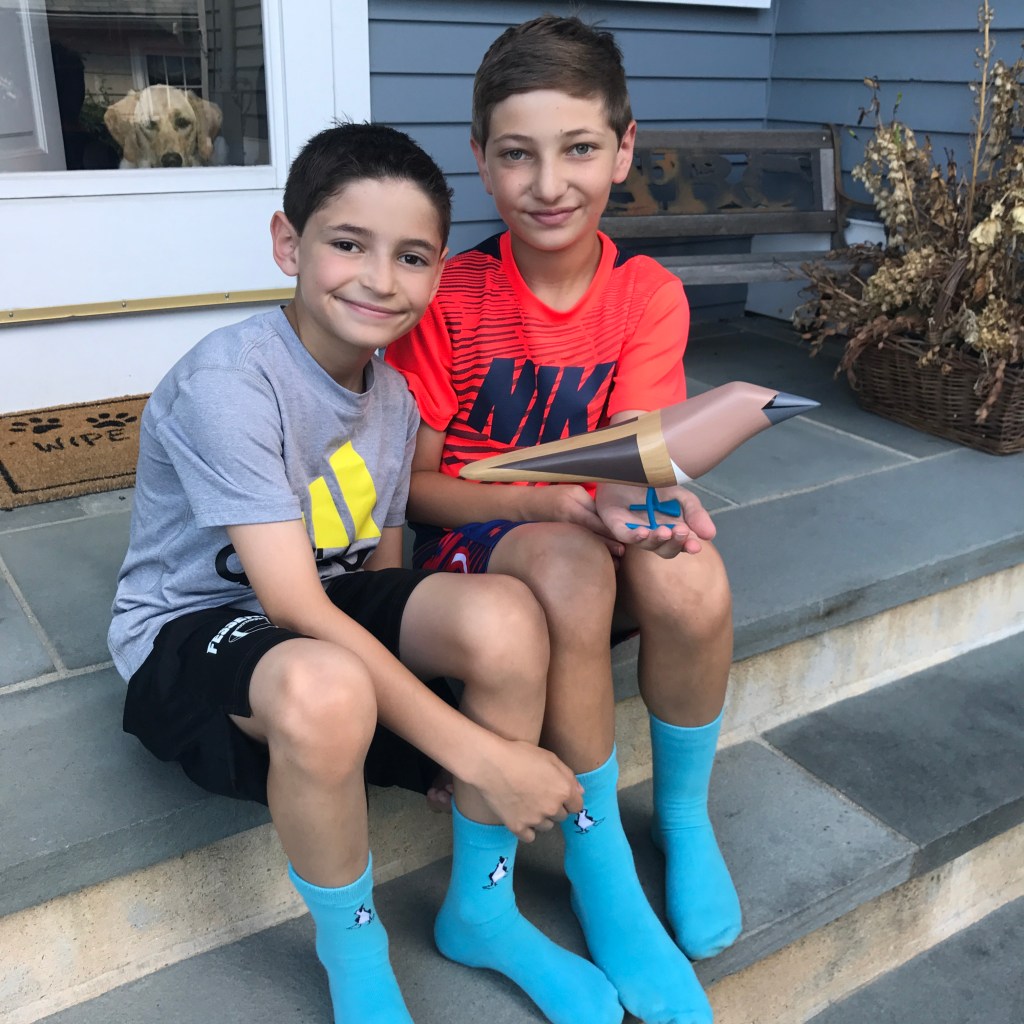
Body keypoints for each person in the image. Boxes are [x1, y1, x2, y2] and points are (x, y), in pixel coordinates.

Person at [108, 122, 626, 1024]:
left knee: (504, 616)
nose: (381, 279)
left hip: (319, 612)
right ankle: (355, 951)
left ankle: (484, 912)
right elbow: (293, 604)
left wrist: (420, 732)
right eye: (349, 244)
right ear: (288, 244)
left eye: (412, 257)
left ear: (436, 272)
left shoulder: (392, 398)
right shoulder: (230, 382)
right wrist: (477, 753)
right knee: (326, 687)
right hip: (195, 628)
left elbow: (379, 579)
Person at [386, 16, 742, 1024]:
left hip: (588, 533)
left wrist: (658, 505)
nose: (549, 183)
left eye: (579, 148)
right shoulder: (448, 298)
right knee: (572, 564)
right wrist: (550, 501)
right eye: (518, 154)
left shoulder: (645, 297)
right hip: (480, 553)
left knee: (691, 570)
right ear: (480, 160)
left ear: (623, 149)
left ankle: (681, 816)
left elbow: (635, 458)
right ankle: (598, 859)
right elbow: (413, 489)